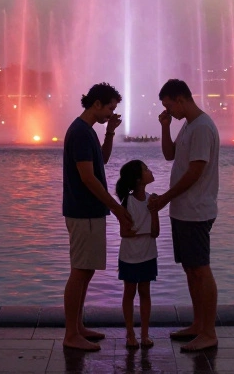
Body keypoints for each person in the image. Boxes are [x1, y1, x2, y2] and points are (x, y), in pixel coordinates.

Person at [149, 78, 220, 351]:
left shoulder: (202, 127)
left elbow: (195, 171)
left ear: (181, 99)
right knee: (191, 270)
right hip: (184, 211)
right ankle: (198, 324)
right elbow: (170, 155)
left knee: (201, 270)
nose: (170, 111)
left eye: (169, 106)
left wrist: (165, 198)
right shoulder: (189, 125)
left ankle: (209, 331)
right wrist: (165, 127)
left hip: (196, 210)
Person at [62, 82, 133, 352]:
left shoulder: (88, 131)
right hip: (83, 211)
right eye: (110, 109)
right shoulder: (80, 132)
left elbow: (100, 161)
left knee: (86, 269)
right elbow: (88, 178)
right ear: (96, 104)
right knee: (80, 271)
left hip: (89, 211)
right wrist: (116, 207)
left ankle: (78, 326)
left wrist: (110, 133)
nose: (110, 114)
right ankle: (71, 333)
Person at [115, 159, 159, 349]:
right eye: (146, 170)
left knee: (145, 293)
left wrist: (154, 211)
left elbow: (156, 232)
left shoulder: (151, 199)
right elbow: (124, 232)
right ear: (139, 179)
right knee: (130, 292)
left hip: (148, 254)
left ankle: (145, 334)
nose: (150, 171)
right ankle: (130, 334)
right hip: (130, 256)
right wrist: (143, 232)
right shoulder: (128, 202)